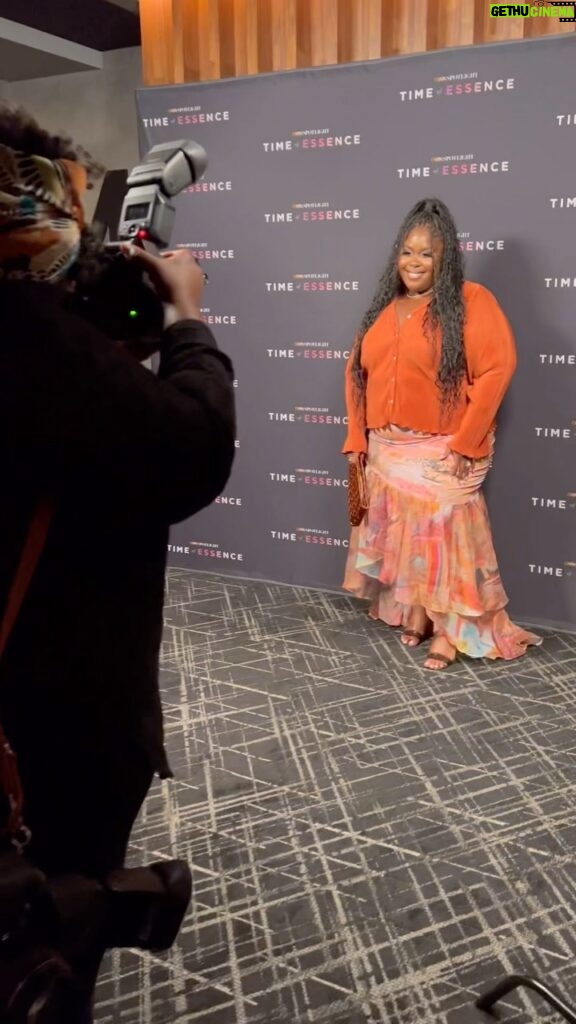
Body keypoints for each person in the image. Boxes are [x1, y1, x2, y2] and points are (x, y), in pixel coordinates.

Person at [0, 107, 236, 1015]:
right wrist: (186, 324)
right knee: (48, 934)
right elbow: (188, 448)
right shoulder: (22, 328)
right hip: (51, 709)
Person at [343, 197, 540, 670]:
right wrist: (357, 440)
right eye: (407, 252)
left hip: (442, 449)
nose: (414, 262)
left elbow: (497, 369)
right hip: (387, 448)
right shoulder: (384, 308)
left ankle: (450, 633)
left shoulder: (472, 301)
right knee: (407, 539)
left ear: (445, 257)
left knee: (444, 543)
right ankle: (416, 613)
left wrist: (466, 441)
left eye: (426, 254)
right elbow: (355, 374)